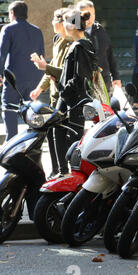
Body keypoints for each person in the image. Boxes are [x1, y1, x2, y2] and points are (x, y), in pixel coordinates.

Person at [32, 9, 97, 176]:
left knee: (68, 138)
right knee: (57, 132)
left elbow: (77, 79)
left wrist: (61, 87)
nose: (64, 25)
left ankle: (68, 174)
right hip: (72, 100)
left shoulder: (79, 47)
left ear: (74, 26)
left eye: (67, 22)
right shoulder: (83, 45)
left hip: (72, 101)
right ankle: (63, 173)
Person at [30, 8, 73, 179]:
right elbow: (53, 68)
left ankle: (64, 171)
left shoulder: (73, 44)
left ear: (63, 22)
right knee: (51, 132)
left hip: (68, 96)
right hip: (56, 94)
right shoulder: (58, 40)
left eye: (55, 20)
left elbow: (67, 72)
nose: (52, 23)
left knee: (60, 134)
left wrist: (45, 67)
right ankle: (57, 170)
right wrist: (40, 88)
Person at [0, 1, 44, 141]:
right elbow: (41, 55)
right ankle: (31, 141)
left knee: (9, 108)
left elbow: (2, 54)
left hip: (14, 79)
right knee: (31, 110)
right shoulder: (37, 30)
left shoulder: (8, 29)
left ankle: (11, 142)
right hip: (35, 78)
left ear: (12, 13)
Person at [76, 0, 121, 92]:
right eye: (87, 14)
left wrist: (116, 77)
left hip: (103, 81)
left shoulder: (99, 29)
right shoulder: (73, 32)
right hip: (83, 84)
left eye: (93, 14)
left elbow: (109, 55)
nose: (90, 18)